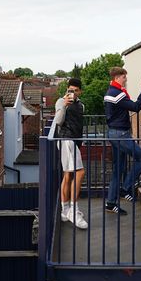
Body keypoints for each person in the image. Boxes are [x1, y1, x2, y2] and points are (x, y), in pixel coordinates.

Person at [104, 67, 141, 215]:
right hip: (120, 135)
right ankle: (126, 187)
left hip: (114, 133)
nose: (126, 80)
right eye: (124, 77)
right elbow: (136, 107)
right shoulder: (117, 94)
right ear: (117, 78)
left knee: (118, 170)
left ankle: (110, 203)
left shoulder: (111, 92)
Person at [54, 78, 88, 229]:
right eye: (70, 90)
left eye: (75, 90)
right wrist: (64, 107)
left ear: (79, 91)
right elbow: (58, 122)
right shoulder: (61, 102)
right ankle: (73, 210)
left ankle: (65, 209)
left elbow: (79, 124)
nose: (72, 93)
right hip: (66, 140)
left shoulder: (81, 105)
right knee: (80, 173)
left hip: (75, 142)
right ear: (67, 90)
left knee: (68, 175)